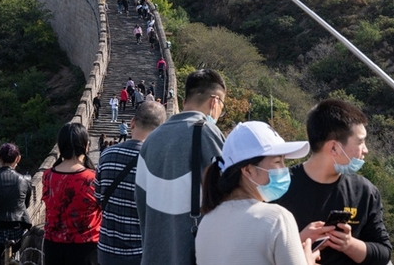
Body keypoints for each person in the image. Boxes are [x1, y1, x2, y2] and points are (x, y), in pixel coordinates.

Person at [275, 99, 392, 265]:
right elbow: (257, 250)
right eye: (360, 142)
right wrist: (298, 241)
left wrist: (348, 244)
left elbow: (383, 253)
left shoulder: (365, 192)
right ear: (334, 148)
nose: (365, 150)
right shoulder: (278, 186)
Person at [135, 69, 227, 265]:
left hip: (154, 255)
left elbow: (141, 202)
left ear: (185, 100)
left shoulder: (152, 139)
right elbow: (226, 195)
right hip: (190, 255)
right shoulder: (208, 132)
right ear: (214, 102)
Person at [196, 121, 317, 265]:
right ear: (248, 170)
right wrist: (307, 261)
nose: (285, 170)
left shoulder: (207, 221)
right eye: (278, 162)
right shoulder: (277, 218)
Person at [96, 103, 166, 265]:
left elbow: (99, 199)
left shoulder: (107, 155)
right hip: (141, 252)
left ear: (132, 122)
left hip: (107, 251)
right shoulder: (159, 162)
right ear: (161, 130)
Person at [42, 123, 102, 265]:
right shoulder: (92, 178)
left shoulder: (47, 176)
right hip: (86, 249)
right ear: (87, 146)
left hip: (53, 248)